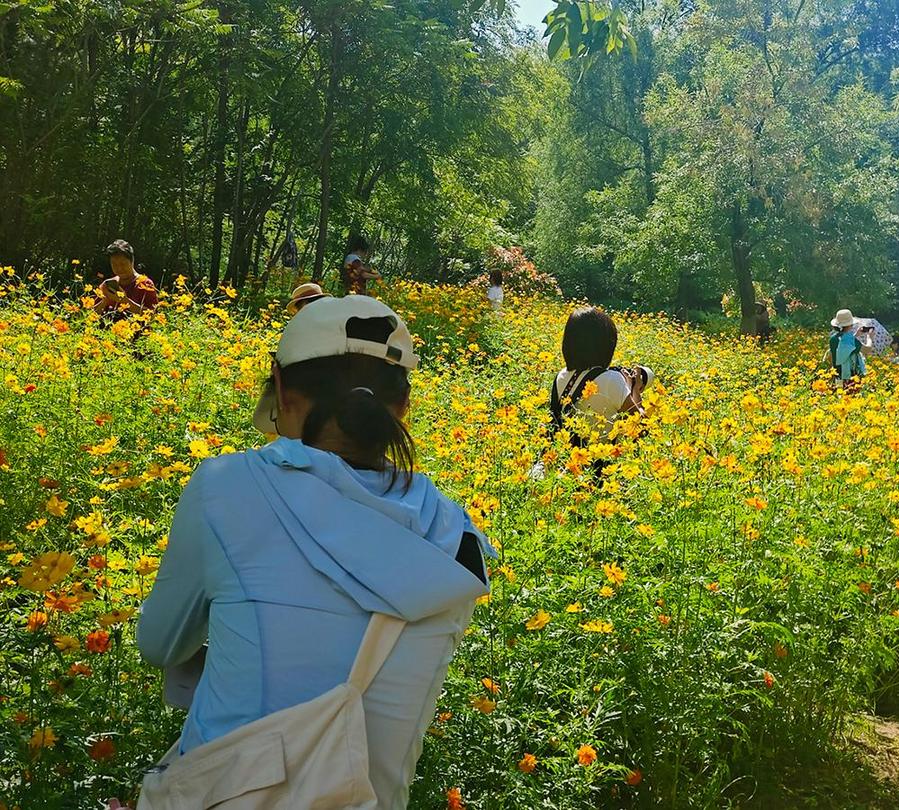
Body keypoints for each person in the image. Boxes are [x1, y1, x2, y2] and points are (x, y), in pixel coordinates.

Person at [137, 296, 494, 807]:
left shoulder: (227, 488)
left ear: (281, 389)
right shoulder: (456, 536)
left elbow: (160, 645)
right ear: (403, 408)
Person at [550, 307, 646, 442]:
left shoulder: (561, 376)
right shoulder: (611, 380)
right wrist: (634, 390)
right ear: (605, 344)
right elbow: (641, 427)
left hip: (566, 459)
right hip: (604, 461)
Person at [94, 240, 158, 317]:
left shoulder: (145, 284)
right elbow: (90, 316)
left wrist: (125, 301)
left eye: (123, 264)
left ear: (132, 261)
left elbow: (153, 316)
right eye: (114, 264)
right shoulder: (107, 285)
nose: (119, 268)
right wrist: (105, 301)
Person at [829, 308, 866, 389]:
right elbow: (868, 350)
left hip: (837, 375)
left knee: (839, 395)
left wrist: (855, 335)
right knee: (851, 399)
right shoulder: (853, 341)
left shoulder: (833, 339)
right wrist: (870, 337)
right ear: (851, 325)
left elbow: (841, 347)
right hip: (851, 377)